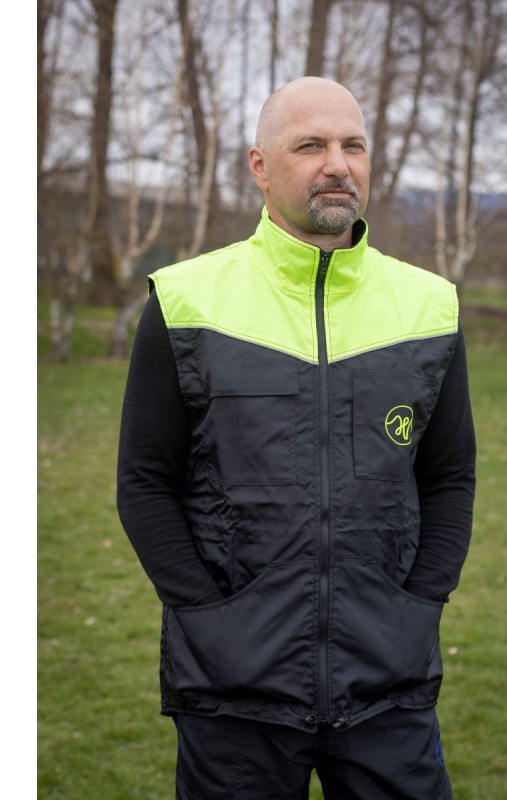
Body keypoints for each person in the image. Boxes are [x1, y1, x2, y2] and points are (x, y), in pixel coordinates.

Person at [117, 77, 476, 799]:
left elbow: (449, 475)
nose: (337, 164)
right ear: (259, 165)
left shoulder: (429, 306)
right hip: (232, 690)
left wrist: (420, 605)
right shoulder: (185, 301)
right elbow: (144, 481)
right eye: (310, 145)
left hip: (388, 682)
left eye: (353, 145)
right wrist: (208, 618)